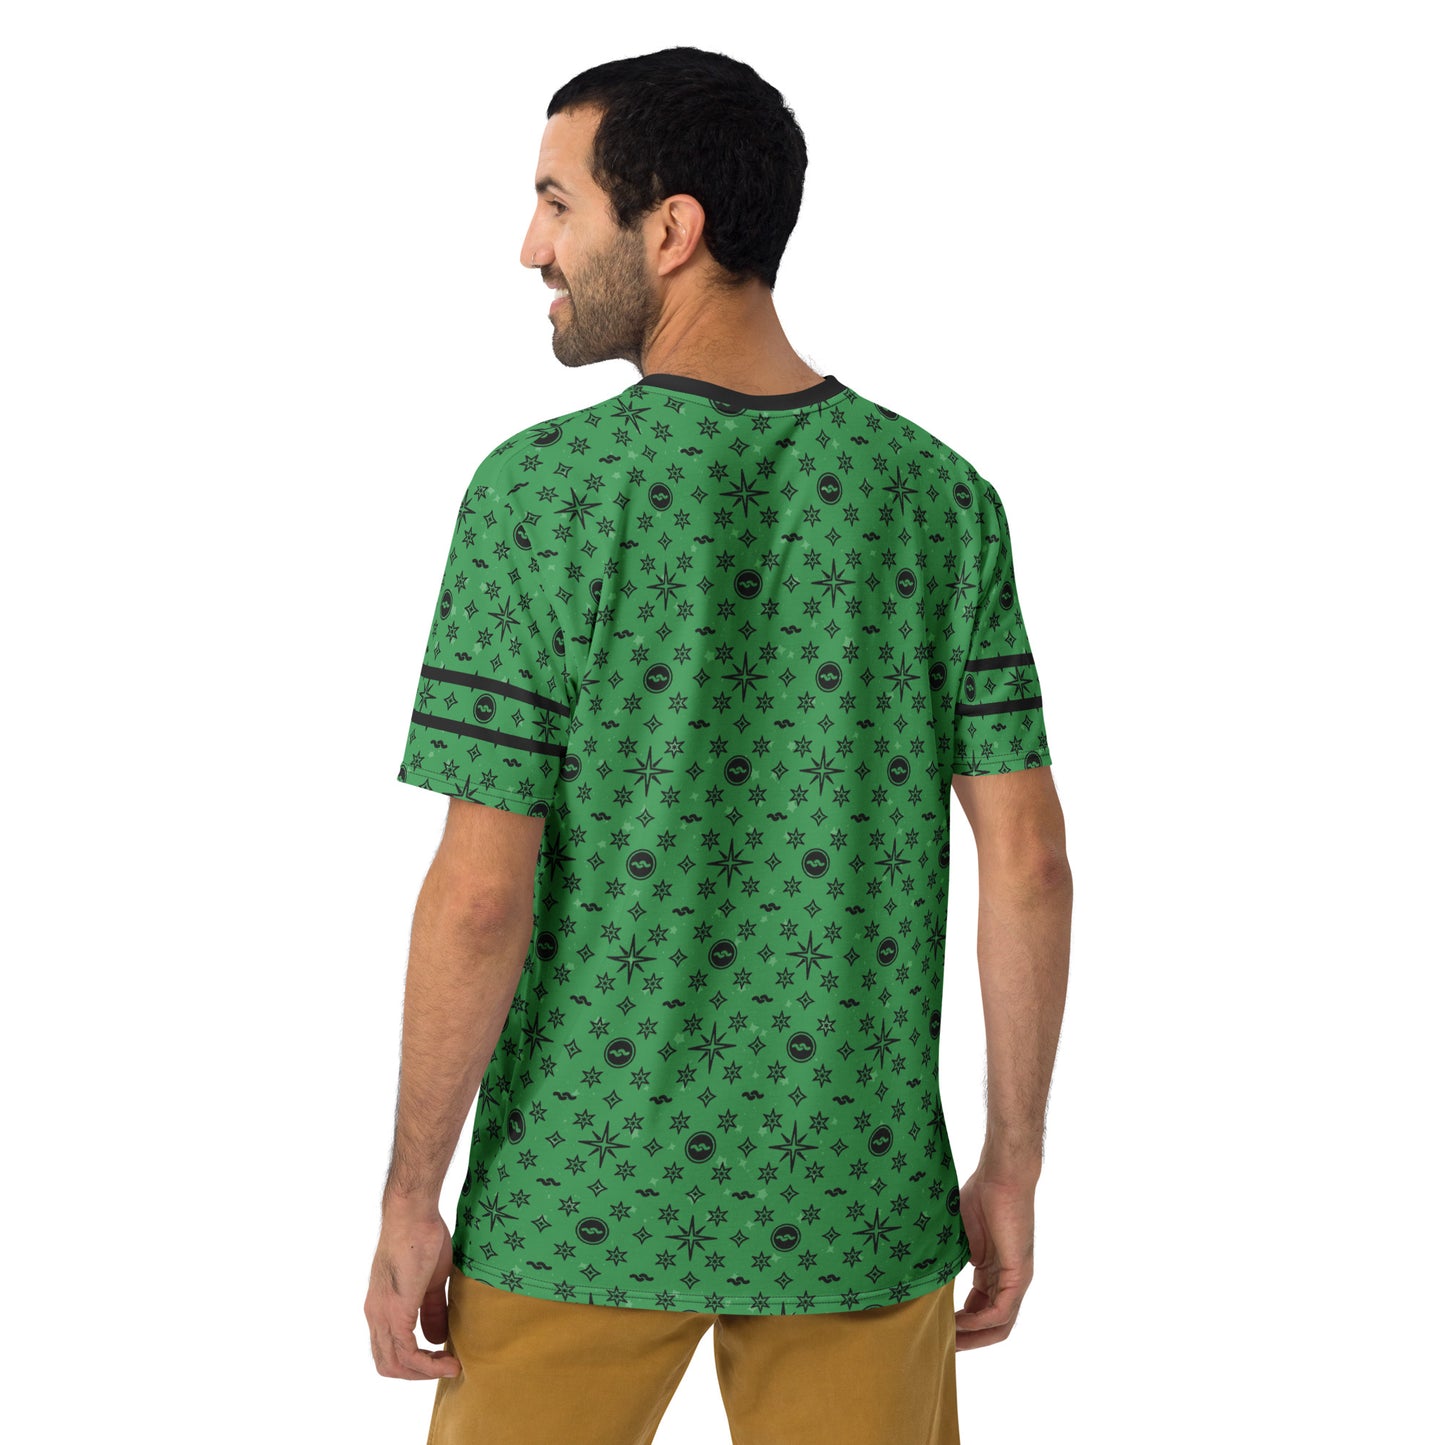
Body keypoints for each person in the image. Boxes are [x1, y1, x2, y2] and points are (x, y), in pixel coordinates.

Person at [365, 45, 1072, 1445]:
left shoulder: (542, 497)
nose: (530, 247)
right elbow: (1031, 863)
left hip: (576, 1196)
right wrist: (1010, 1162)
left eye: (558, 204)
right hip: (855, 1200)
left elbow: (482, 893)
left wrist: (408, 1190)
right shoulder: (939, 501)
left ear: (670, 228)